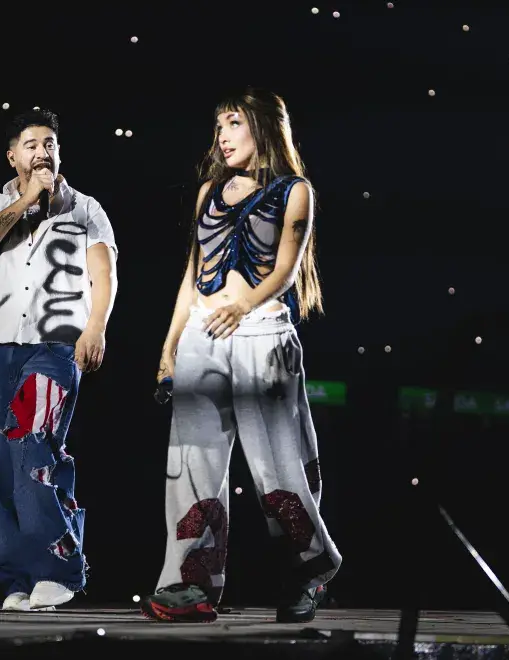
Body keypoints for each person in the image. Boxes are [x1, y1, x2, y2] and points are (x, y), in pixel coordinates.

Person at [141, 89, 341, 624]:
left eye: (234, 122)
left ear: (264, 126)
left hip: (261, 332)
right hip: (203, 333)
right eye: (219, 125)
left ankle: (311, 570)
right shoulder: (209, 190)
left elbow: (287, 269)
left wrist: (246, 304)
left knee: (278, 463)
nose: (224, 135)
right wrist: (169, 346)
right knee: (191, 461)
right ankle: (189, 585)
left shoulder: (294, 192)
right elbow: (191, 274)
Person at [0, 108, 118, 612]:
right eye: (30, 144)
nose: (42, 151)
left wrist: (95, 328)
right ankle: (18, 578)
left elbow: (103, 273)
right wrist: (24, 201)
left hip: (54, 346)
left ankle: (59, 569)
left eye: (49, 142)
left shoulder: (84, 208)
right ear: (12, 155)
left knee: (32, 444)